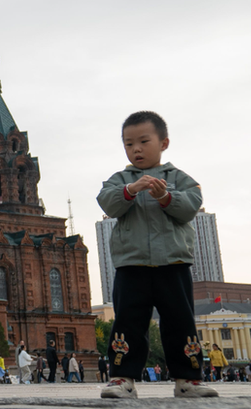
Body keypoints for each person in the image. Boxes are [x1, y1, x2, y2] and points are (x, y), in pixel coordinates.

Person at [96, 111, 218, 399]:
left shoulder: (180, 178)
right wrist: (130, 190)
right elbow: (108, 203)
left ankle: (188, 380)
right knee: (128, 321)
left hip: (173, 263)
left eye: (143, 141)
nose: (135, 149)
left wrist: (166, 197)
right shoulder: (119, 179)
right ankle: (122, 378)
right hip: (131, 264)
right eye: (128, 144)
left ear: (164, 143)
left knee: (180, 320)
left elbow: (191, 206)